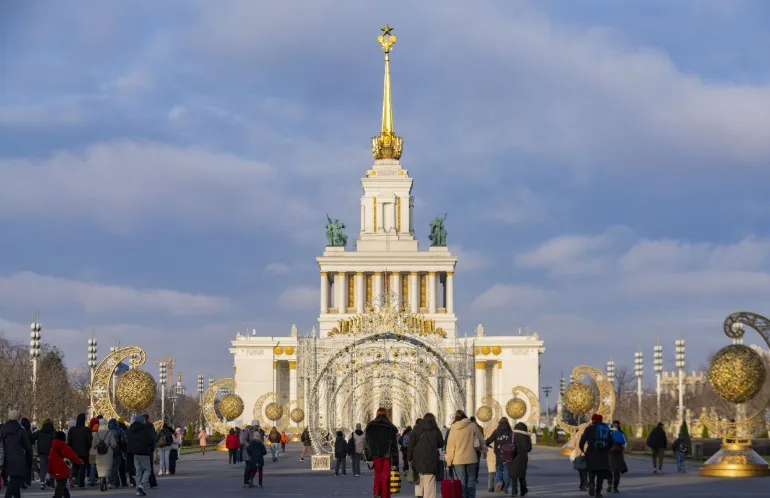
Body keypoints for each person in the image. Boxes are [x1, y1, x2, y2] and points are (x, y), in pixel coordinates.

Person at [445, 410, 484, 498]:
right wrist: (484, 450)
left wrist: (449, 460)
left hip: (458, 460)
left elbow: (451, 446)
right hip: (472, 458)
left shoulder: (454, 428)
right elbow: (481, 439)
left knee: (461, 483)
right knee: (471, 481)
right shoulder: (473, 426)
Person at [364, 407, 399, 498]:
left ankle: (376, 492)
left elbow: (367, 443)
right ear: (385, 414)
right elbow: (394, 445)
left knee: (377, 475)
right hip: (387, 455)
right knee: (386, 477)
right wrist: (395, 462)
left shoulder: (371, 426)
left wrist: (368, 456)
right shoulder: (390, 427)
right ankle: (384, 495)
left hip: (376, 455)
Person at [407, 413, 443, 498]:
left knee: (419, 481)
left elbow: (410, 446)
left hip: (417, 460)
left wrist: (409, 458)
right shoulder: (435, 430)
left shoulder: (416, 429)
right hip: (431, 461)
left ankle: (419, 495)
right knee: (429, 483)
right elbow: (441, 443)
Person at [1, 409, 33, 498]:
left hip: (6, 458)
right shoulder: (21, 430)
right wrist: (29, 460)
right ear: (17, 417)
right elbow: (28, 447)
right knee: (14, 481)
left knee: (14, 480)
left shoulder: (3, 429)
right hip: (19, 458)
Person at [579, 414, 611, 497]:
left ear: (593, 420)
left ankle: (591, 485)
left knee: (591, 471)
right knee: (600, 474)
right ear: (601, 420)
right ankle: (598, 492)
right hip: (603, 454)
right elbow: (611, 442)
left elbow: (582, 441)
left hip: (591, 453)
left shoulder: (589, 429)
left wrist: (583, 450)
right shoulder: (605, 428)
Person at [48, 431, 82, 498]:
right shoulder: (66, 447)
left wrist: (49, 471)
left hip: (55, 470)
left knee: (61, 485)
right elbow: (72, 456)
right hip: (64, 470)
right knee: (61, 485)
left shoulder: (52, 449)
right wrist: (79, 461)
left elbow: (50, 460)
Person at [127, 415, 155, 496]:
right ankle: (142, 485)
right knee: (147, 470)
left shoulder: (131, 430)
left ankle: (138, 489)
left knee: (138, 470)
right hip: (144, 452)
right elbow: (150, 440)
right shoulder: (145, 430)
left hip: (135, 452)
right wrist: (151, 448)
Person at [485, 417, 513, 494]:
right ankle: (505, 489)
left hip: (499, 454)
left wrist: (486, 443)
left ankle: (499, 482)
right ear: (507, 423)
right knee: (507, 471)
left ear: (499, 423)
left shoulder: (496, 432)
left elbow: (489, 440)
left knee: (499, 469)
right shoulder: (511, 432)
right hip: (508, 455)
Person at [66, 413, 92, 488]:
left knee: (75, 466)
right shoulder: (87, 430)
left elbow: (69, 441)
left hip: (74, 452)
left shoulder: (72, 430)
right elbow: (89, 441)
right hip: (84, 452)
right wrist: (87, 448)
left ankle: (73, 477)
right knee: (83, 467)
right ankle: (81, 482)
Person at [91, 417, 117, 491]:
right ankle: (105, 480)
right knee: (107, 468)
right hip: (108, 452)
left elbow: (93, 445)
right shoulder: (110, 433)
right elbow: (113, 444)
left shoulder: (95, 434)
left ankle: (101, 479)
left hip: (99, 453)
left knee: (100, 468)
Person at [508, 422, 532, 497]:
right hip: (523, 458)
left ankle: (514, 492)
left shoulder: (511, 435)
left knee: (514, 476)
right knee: (522, 475)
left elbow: (507, 446)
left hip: (512, 457)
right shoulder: (526, 437)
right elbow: (529, 448)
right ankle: (523, 490)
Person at [31, 419, 55, 490]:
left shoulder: (40, 432)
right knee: (51, 468)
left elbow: (32, 437)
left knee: (43, 467)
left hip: (42, 452)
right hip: (52, 452)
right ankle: (52, 483)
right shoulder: (54, 432)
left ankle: (42, 482)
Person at [569, 422, 590, 491]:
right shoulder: (591, 433)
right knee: (588, 469)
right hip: (590, 454)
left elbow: (571, 445)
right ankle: (589, 482)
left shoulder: (577, 434)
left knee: (581, 470)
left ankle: (583, 484)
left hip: (580, 454)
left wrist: (575, 448)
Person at [608, 421, 628, 493]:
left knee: (609, 470)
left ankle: (609, 485)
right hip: (618, 453)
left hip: (609, 453)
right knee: (617, 471)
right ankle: (615, 487)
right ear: (619, 426)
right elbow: (625, 445)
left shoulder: (608, 432)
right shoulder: (621, 433)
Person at [107, 418, 126, 489]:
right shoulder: (120, 430)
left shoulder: (107, 431)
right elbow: (123, 441)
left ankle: (115, 481)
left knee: (111, 467)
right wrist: (124, 450)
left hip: (108, 451)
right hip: (118, 451)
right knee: (115, 467)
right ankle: (111, 482)